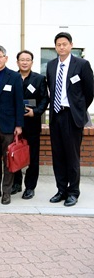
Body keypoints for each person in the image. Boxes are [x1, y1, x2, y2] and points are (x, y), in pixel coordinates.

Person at [46, 32, 94, 207]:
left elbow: (89, 91)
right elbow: (51, 88)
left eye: (64, 44)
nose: (61, 47)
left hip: (72, 116)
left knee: (72, 156)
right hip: (56, 116)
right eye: (58, 44)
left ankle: (73, 192)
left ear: (71, 45)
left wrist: (79, 108)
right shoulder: (51, 66)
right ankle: (61, 190)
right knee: (58, 155)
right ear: (55, 47)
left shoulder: (81, 64)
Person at [0, 45, 24, 205]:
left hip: (9, 126)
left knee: (8, 160)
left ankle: (6, 192)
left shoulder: (14, 77)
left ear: (6, 58)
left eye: (0, 56)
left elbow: (19, 103)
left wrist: (19, 125)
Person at [12, 50, 49, 200]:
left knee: (33, 157)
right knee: (15, 153)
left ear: (32, 62)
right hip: (15, 125)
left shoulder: (39, 79)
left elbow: (44, 99)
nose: (25, 62)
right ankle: (16, 183)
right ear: (17, 62)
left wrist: (35, 112)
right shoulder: (13, 77)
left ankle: (30, 187)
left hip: (32, 124)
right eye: (22, 60)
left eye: (28, 59)